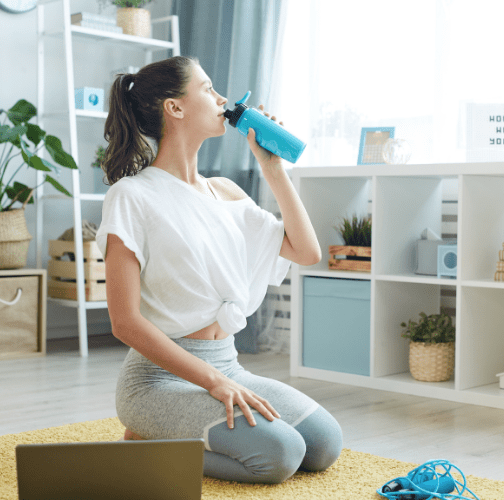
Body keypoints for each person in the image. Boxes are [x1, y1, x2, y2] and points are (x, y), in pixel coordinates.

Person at [95, 55, 342, 484]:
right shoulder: (132, 197)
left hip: (227, 363)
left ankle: (164, 436)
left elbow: (306, 252)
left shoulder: (225, 191)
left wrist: (272, 168)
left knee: (323, 444)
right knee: (280, 455)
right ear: (175, 108)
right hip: (157, 380)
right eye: (208, 88)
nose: (222, 98)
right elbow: (125, 323)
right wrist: (212, 384)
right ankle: (143, 441)